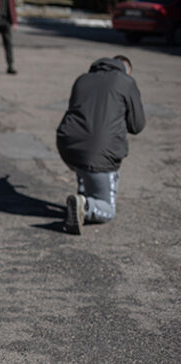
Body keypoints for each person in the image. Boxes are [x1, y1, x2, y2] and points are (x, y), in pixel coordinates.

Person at [56, 56, 145, 235]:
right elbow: (137, 125)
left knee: (85, 160)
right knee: (107, 209)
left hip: (68, 145)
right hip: (100, 152)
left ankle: (82, 198)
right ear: (126, 69)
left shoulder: (82, 79)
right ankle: (86, 206)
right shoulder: (126, 81)